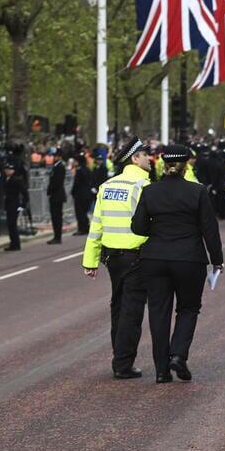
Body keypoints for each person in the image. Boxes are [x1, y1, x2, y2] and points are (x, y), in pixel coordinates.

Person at [131, 145, 223, 383]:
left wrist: (159, 229)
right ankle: (178, 355)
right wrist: (217, 260)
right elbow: (209, 230)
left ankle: (161, 370)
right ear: (186, 166)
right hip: (189, 257)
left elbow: (138, 227)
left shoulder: (150, 191)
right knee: (188, 308)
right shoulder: (198, 191)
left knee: (158, 312)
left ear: (164, 164)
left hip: (154, 257)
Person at [81, 138, 152, 379]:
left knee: (118, 307)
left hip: (111, 257)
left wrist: (90, 260)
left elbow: (96, 226)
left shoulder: (107, 185)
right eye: (145, 154)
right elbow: (149, 223)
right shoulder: (143, 185)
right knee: (132, 310)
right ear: (134, 158)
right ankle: (123, 363)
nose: (149, 158)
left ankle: (119, 356)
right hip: (136, 255)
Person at [2, 160, 25, 251]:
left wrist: (22, 205)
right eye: (6, 169)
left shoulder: (16, 180)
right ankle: (13, 243)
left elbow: (24, 192)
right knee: (10, 225)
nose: (7, 171)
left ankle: (16, 244)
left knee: (12, 224)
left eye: (9, 169)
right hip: (9, 204)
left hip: (14, 204)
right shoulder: (7, 179)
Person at [71, 152, 94, 236]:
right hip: (87, 194)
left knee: (80, 213)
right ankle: (86, 227)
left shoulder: (80, 170)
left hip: (80, 195)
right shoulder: (87, 169)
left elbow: (77, 183)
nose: (74, 162)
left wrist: (72, 192)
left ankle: (82, 229)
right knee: (84, 212)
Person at [46, 150, 66, 244]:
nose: (55, 157)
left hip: (57, 195)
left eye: (56, 156)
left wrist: (50, 190)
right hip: (55, 195)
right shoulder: (56, 166)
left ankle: (57, 237)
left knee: (57, 216)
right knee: (55, 216)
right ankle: (56, 236)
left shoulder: (60, 167)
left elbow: (57, 182)